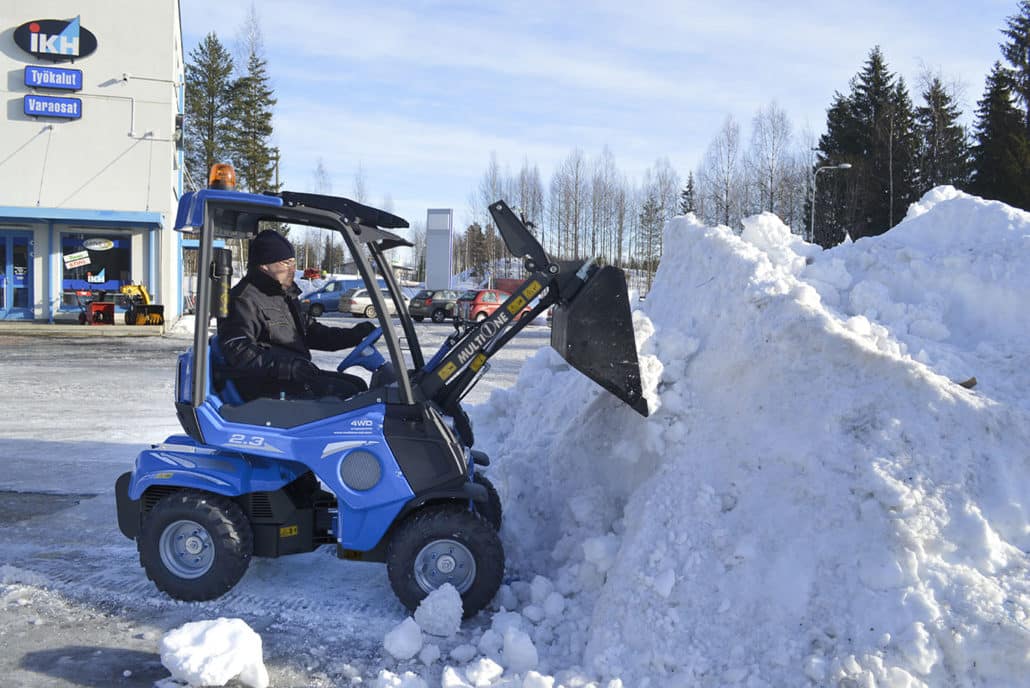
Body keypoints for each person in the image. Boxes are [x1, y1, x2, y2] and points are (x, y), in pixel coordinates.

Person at [217, 229, 378, 402]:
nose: (293, 269)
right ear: (264, 265)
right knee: (349, 394)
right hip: (266, 385)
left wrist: (353, 335)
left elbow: (311, 332)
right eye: (286, 263)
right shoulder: (243, 299)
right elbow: (237, 348)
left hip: (291, 377)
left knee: (359, 385)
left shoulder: (282, 295)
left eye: (294, 263)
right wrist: (287, 368)